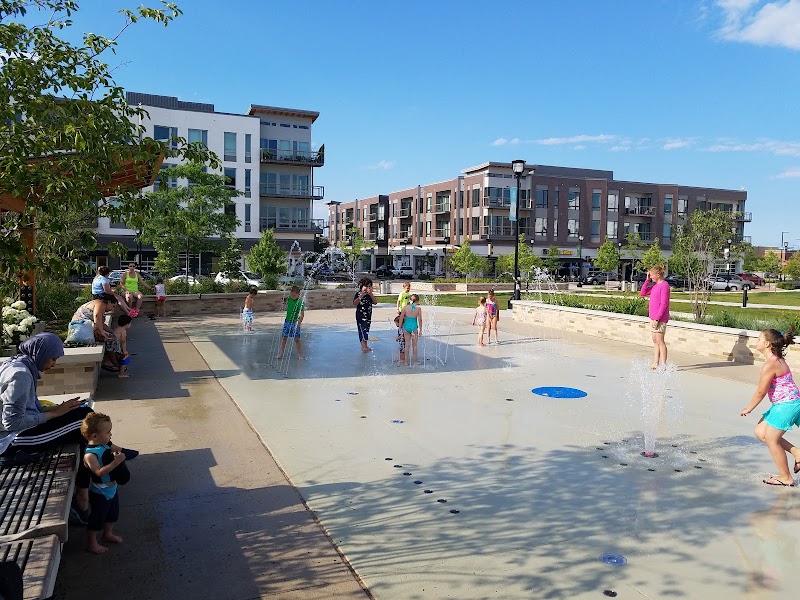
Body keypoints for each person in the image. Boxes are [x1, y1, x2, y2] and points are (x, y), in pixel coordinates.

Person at [0, 333, 93, 518]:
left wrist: (61, 408)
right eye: (53, 358)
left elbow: (28, 408)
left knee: (82, 415)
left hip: (19, 432)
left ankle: (87, 489)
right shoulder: (20, 375)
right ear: (40, 353)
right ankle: (85, 493)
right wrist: (54, 414)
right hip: (13, 440)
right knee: (86, 425)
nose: (53, 364)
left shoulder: (20, 365)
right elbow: (10, 422)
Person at [740, 329, 800, 487]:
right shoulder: (775, 359)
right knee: (761, 432)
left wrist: (749, 408)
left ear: (767, 344)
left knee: (772, 439)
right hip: (785, 403)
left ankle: (786, 477)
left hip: (787, 405)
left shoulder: (771, 364)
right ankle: (797, 452)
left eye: (759, 339)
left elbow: (761, 391)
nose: (756, 341)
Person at [81, 412, 126, 554]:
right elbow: (99, 472)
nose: (111, 435)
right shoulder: (90, 455)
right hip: (99, 491)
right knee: (97, 517)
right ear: (94, 436)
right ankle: (92, 543)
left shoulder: (105, 446)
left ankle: (107, 534)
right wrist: (116, 462)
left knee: (112, 514)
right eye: (108, 432)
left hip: (112, 487)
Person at [640, 264, 670, 368]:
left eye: (652, 275)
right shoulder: (655, 286)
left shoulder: (664, 286)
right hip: (653, 318)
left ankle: (664, 364)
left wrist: (657, 318)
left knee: (660, 341)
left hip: (660, 318)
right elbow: (642, 293)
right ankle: (656, 362)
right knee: (655, 341)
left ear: (658, 275)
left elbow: (664, 304)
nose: (651, 276)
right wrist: (647, 280)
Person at [276, 286, 304, 360]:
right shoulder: (289, 299)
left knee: (297, 339)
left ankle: (300, 355)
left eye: (294, 296)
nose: (293, 297)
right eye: (291, 295)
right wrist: (282, 299)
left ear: (298, 294)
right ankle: (281, 354)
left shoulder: (300, 302)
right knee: (284, 338)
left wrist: (299, 323)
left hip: (295, 323)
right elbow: (284, 300)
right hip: (287, 322)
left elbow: (302, 314)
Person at [353, 277, 377, 352]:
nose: (368, 288)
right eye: (366, 286)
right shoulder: (358, 294)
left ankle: (365, 345)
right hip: (360, 315)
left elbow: (375, 302)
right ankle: (363, 347)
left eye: (369, 287)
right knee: (362, 330)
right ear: (361, 287)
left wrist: (371, 294)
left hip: (368, 315)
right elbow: (355, 303)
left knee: (366, 330)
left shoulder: (370, 295)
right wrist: (361, 296)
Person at [399, 293, 423, 366]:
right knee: (415, 346)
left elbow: (401, 318)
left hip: (406, 327)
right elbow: (420, 320)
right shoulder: (418, 309)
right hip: (414, 327)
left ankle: (406, 362)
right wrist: (421, 329)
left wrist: (400, 327)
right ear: (418, 301)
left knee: (407, 345)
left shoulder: (405, 308)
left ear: (410, 300)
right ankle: (415, 362)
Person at [112, 315, 132, 379]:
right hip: (117, 347)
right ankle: (121, 374)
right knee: (125, 359)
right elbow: (123, 341)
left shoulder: (117, 328)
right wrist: (124, 351)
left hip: (114, 347)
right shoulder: (123, 330)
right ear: (127, 324)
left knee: (121, 359)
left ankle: (121, 371)